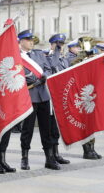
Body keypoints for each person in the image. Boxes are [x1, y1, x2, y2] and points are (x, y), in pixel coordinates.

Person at [19, 29, 60, 170]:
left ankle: (49, 158)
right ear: (21, 41)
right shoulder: (16, 56)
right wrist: (32, 80)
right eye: (28, 40)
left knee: (46, 128)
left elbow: (48, 68)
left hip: (43, 95)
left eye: (32, 40)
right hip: (29, 96)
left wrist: (45, 76)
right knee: (28, 129)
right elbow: (17, 75)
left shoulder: (38, 54)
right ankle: (24, 157)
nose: (31, 42)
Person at [46, 33, 70, 164]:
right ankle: (50, 155)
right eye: (57, 44)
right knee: (50, 128)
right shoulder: (48, 57)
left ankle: (56, 153)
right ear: (52, 44)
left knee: (56, 128)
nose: (60, 47)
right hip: (50, 98)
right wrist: (55, 52)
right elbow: (52, 66)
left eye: (62, 44)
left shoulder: (64, 59)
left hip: (61, 97)